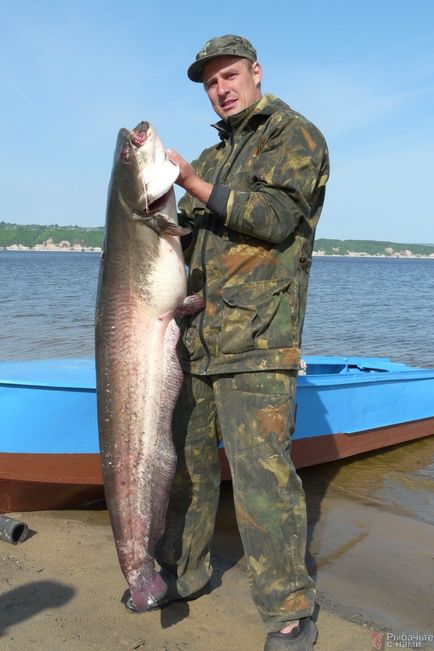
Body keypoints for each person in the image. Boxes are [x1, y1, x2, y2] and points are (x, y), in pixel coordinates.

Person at [133, 35, 329, 651]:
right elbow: (186, 239)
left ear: (256, 73)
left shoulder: (294, 136)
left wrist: (188, 181)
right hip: (197, 340)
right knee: (188, 470)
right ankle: (183, 573)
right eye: (210, 82)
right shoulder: (213, 159)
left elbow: (276, 218)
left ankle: (289, 611)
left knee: (261, 478)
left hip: (260, 342)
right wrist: (152, 207)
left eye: (229, 76)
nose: (221, 89)